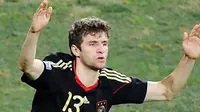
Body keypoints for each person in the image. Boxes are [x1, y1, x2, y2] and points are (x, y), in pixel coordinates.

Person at [18, 0, 200, 112]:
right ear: (76, 50)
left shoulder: (111, 83)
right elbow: (27, 66)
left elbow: (166, 90)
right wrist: (34, 32)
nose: (101, 49)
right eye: (93, 44)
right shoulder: (57, 69)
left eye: (104, 43)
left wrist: (189, 58)